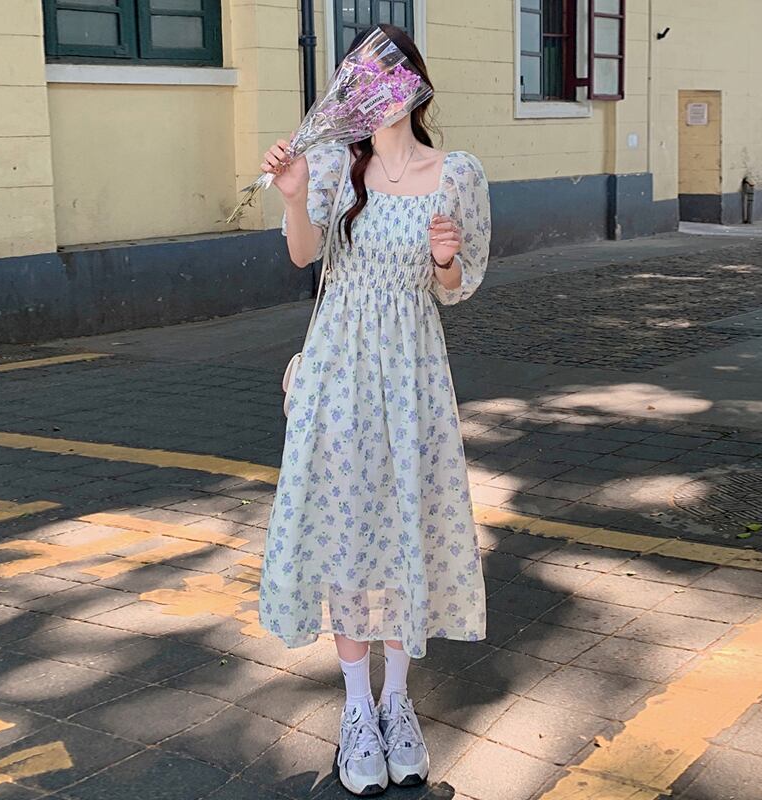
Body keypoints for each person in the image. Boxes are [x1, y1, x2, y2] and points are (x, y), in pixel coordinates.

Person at [258, 24, 491, 797]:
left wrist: (445, 259)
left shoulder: (456, 174)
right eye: (362, 77)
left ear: (415, 84)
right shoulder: (332, 163)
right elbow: (302, 254)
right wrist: (295, 197)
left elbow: (453, 289)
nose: (377, 90)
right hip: (339, 371)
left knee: (407, 526)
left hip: (413, 373)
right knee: (349, 529)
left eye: (390, 75)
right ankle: (357, 707)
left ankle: (398, 704)